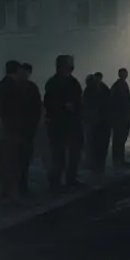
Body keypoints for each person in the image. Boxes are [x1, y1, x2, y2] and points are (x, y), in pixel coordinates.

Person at [43, 54, 84, 190]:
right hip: (58, 124)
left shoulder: (72, 82)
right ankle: (55, 182)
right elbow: (49, 103)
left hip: (72, 123)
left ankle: (70, 178)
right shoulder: (54, 83)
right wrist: (63, 106)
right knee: (58, 155)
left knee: (73, 154)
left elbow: (79, 101)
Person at [0, 60, 25, 206]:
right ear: (16, 71)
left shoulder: (1, 85)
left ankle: (3, 195)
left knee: (3, 164)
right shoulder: (13, 87)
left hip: (3, 129)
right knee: (10, 163)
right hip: (10, 130)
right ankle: (6, 196)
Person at [16, 62, 43, 197]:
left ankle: (22, 186)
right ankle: (19, 187)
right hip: (19, 129)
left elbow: (37, 106)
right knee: (18, 159)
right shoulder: (18, 87)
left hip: (27, 128)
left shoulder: (30, 87)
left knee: (25, 159)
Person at [82, 73, 111, 177]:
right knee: (94, 145)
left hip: (100, 122)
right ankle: (96, 166)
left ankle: (98, 166)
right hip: (96, 122)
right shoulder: (92, 90)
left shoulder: (99, 89)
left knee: (98, 145)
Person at [109, 68, 130, 168]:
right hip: (120, 116)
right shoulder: (119, 86)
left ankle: (119, 158)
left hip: (122, 115)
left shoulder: (121, 85)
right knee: (119, 138)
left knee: (121, 138)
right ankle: (118, 158)